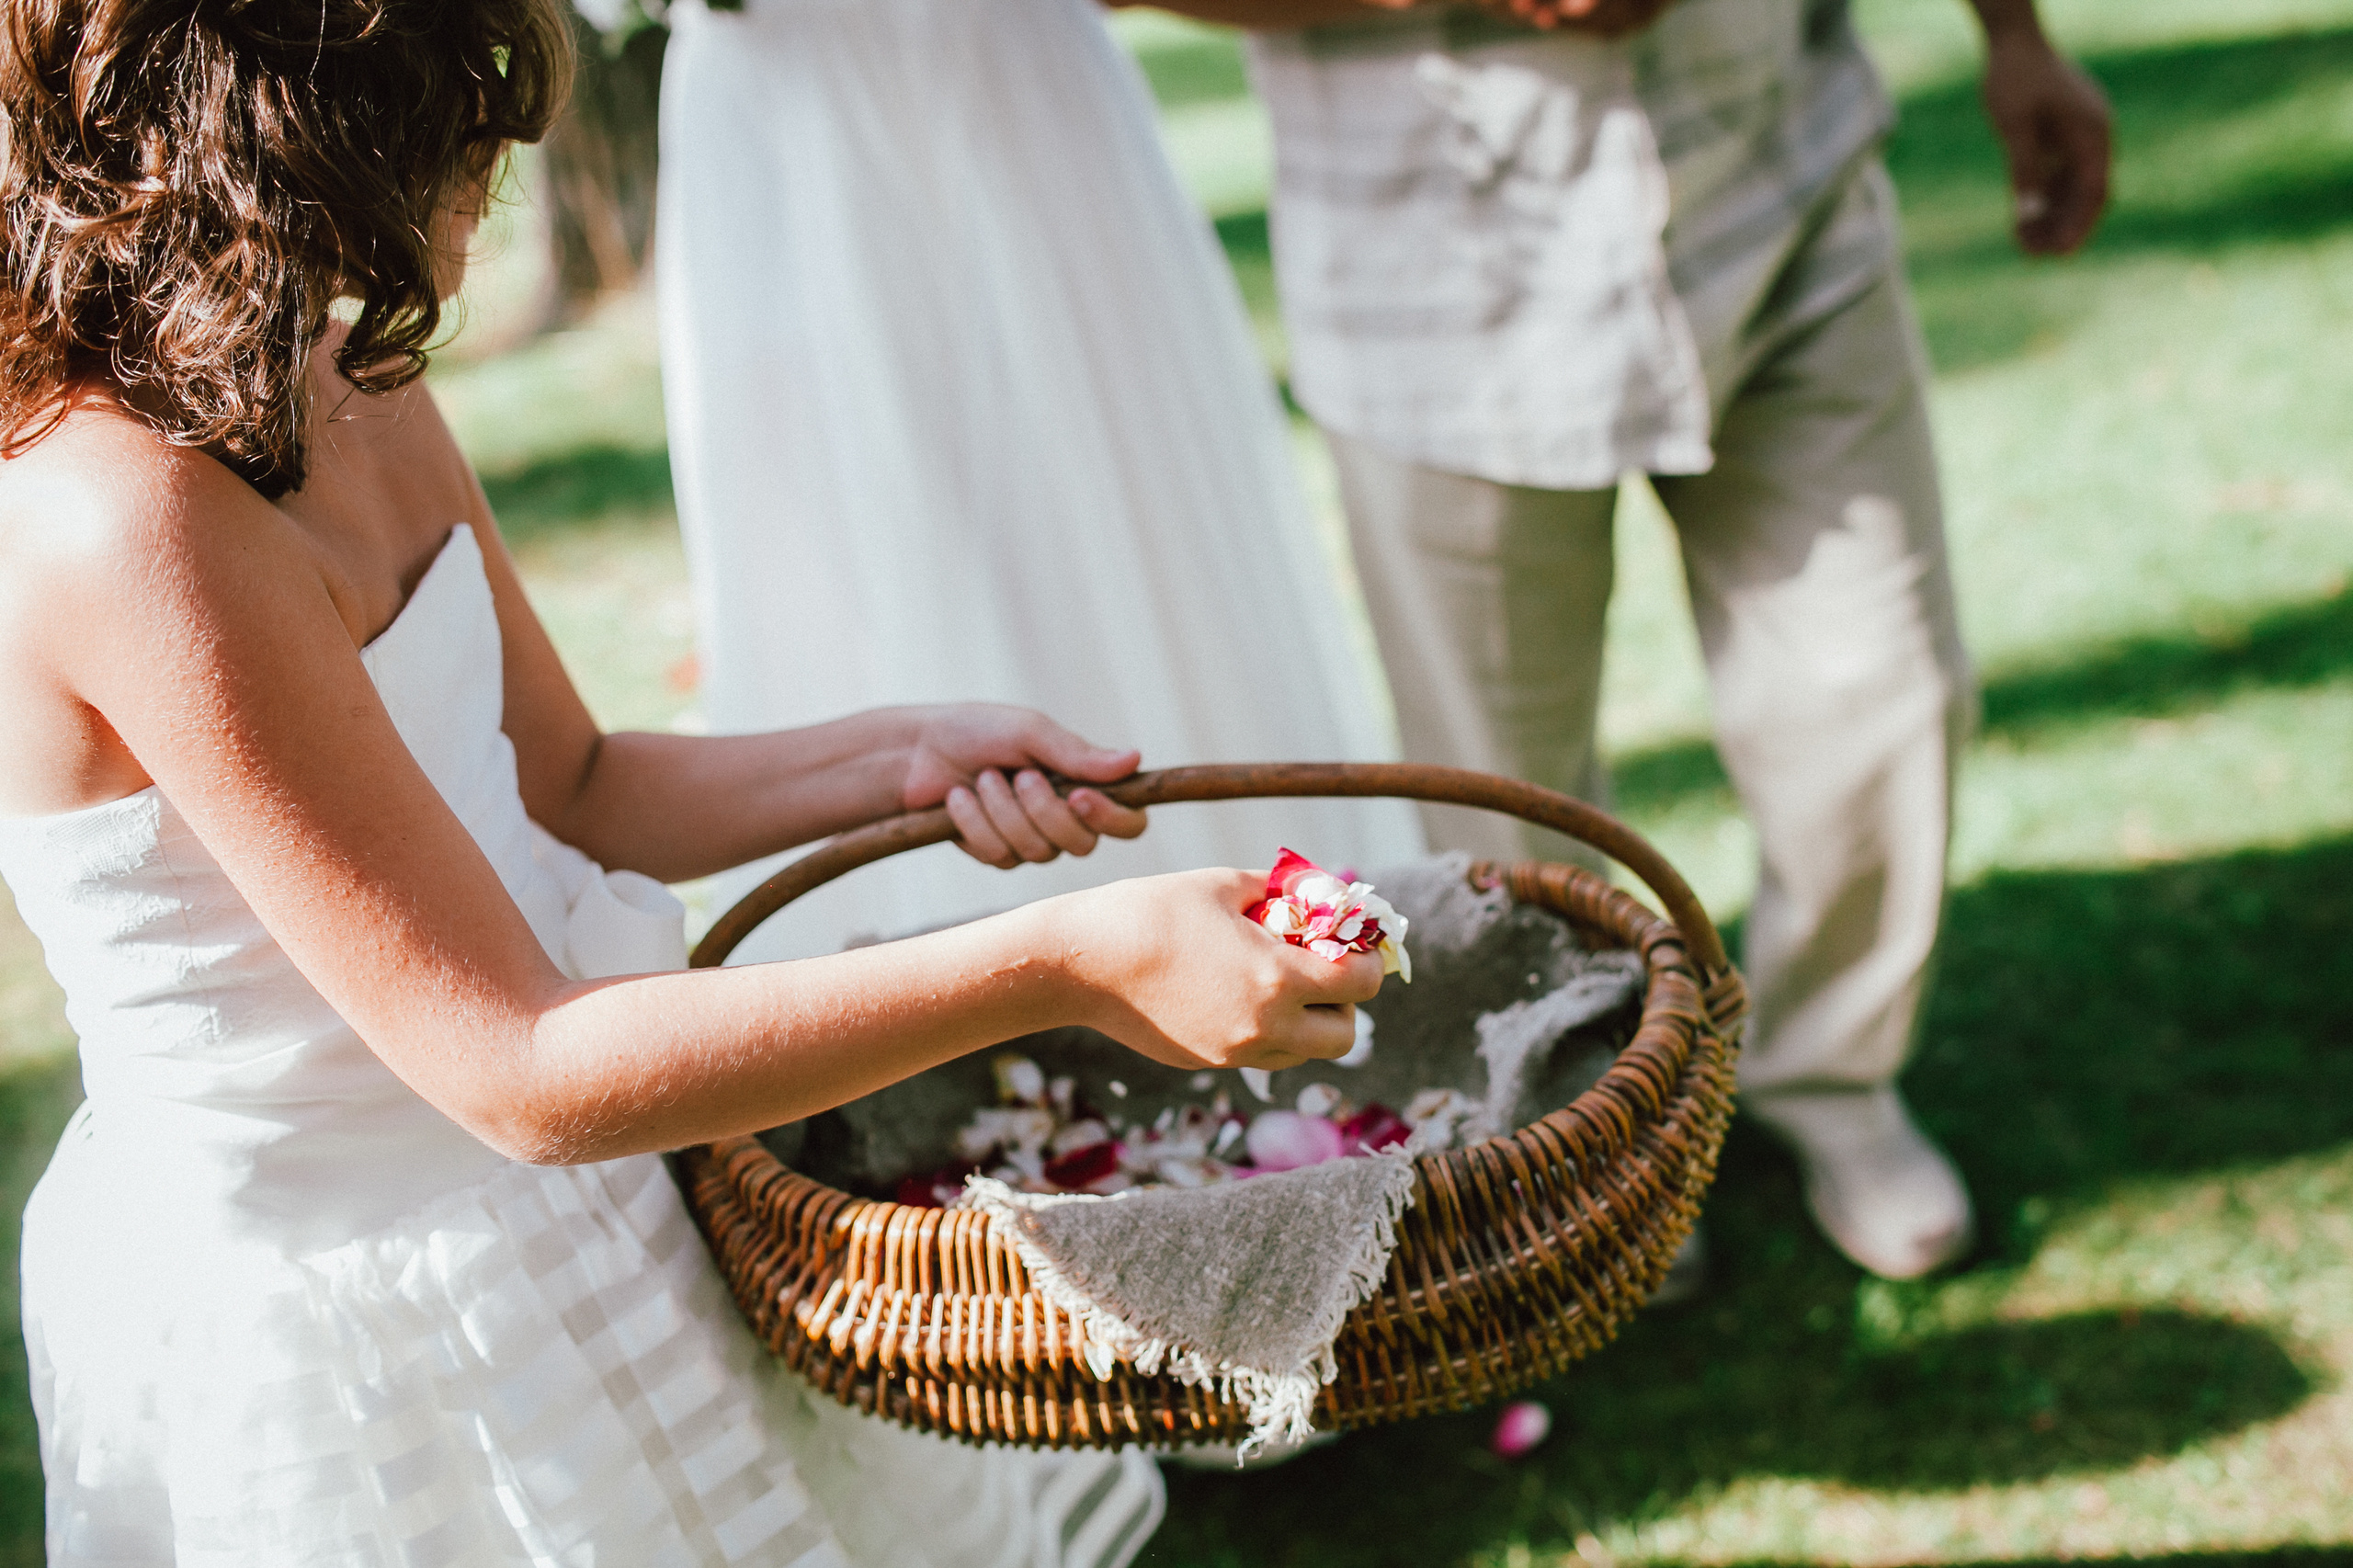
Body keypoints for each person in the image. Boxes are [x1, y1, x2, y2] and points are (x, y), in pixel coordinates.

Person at [0, 4, 1383, 1561]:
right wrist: (1071, 961)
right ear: (316, 143)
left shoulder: (343, 370)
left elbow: (577, 781)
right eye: (466, 143)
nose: (489, 191)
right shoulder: (125, 528)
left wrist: (901, 761)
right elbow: (517, 1067)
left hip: (597, 1207)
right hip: (392, 1333)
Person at [1123, 0, 2111, 1279]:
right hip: (1437, 278)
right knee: (1504, 784)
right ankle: (1594, 1122)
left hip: (1778, 181)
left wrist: (2016, 33)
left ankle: (1834, 1072)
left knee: (1884, 684)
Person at [652, 0, 1425, 965]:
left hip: (1018, 105)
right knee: (857, 561)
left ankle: (1271, 963)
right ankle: (936, 1014)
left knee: (1132, 536)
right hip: (791, 140)